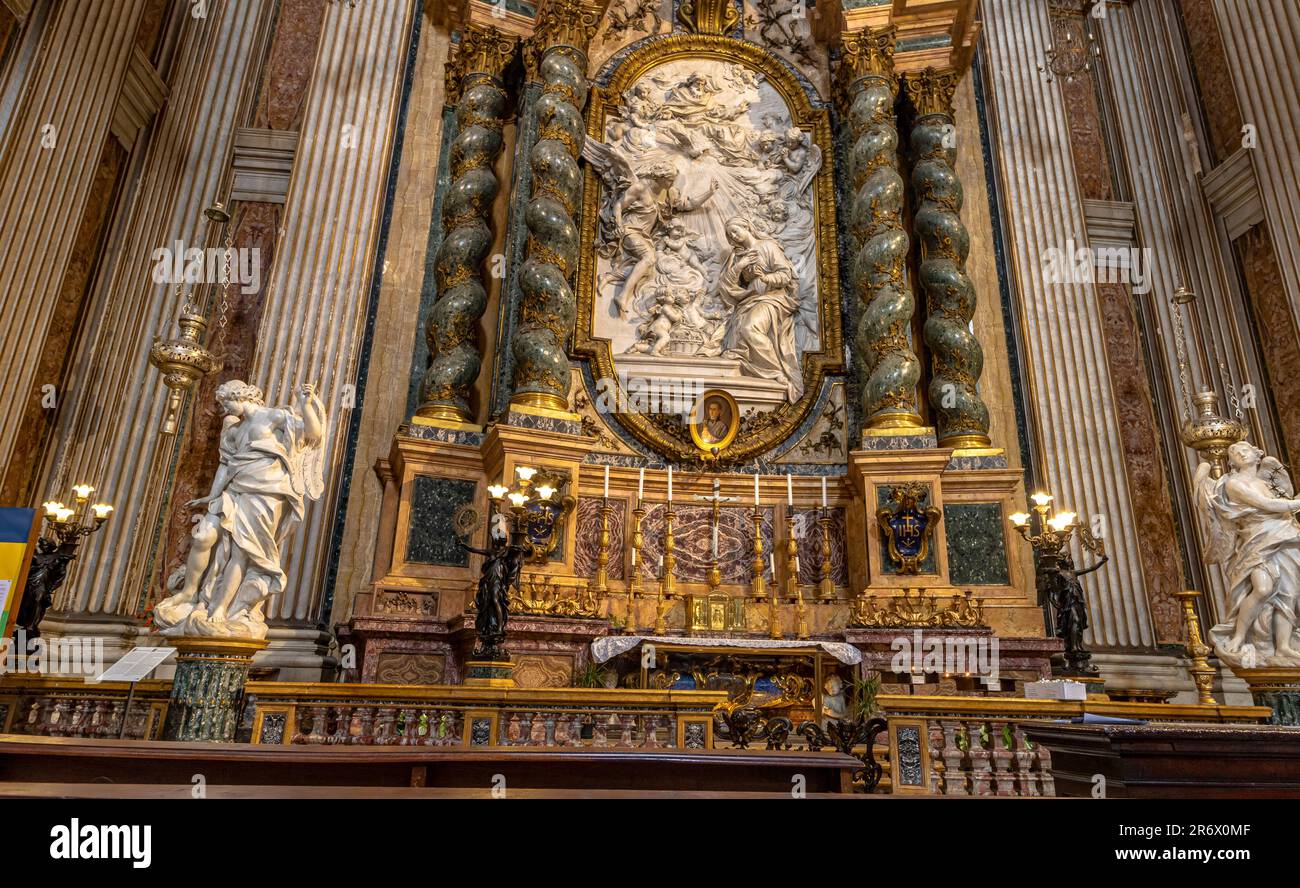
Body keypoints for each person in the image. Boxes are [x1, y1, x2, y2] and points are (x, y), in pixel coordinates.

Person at [153, 380, 327, 639]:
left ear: (240, 396)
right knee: (203, 537)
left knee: (241, 552)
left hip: (266, 492)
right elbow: (225, 464)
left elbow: (313, 434)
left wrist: (306, 403)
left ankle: (222, 608)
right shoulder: (232, 429)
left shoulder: (274, 416)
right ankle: (190, 591)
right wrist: (211, 496)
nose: (223, 409)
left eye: (226, 402)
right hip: (233, 490)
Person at [1196, 441, 1300, 665]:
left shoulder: (1266, 480)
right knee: (1263, 588)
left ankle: (1282, 646)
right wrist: (1296, 504)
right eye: (1235, 452)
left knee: (1287, 593)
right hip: (1256, 540)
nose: (1240, 453)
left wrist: (1292, 504)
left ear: (1257, 454)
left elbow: (1278, 501)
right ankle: (1239, 635)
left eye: (1245, 449)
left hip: (1286, 536)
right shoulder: (1234, 483)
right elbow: (1267, 505)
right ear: (1231, 462)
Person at [715, 218, 804, 400]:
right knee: (736, 331)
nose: (733, 235)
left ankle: (775, 371)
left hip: (773, 298)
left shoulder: (767, 246)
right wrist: (741, 264)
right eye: (729, 234)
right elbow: (726, 285)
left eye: (735, 230)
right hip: (749, 299)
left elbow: (785, 275)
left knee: (750, 328)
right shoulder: (737, 256)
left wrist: (765, 277)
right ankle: (767, 369)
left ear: (746, 226)